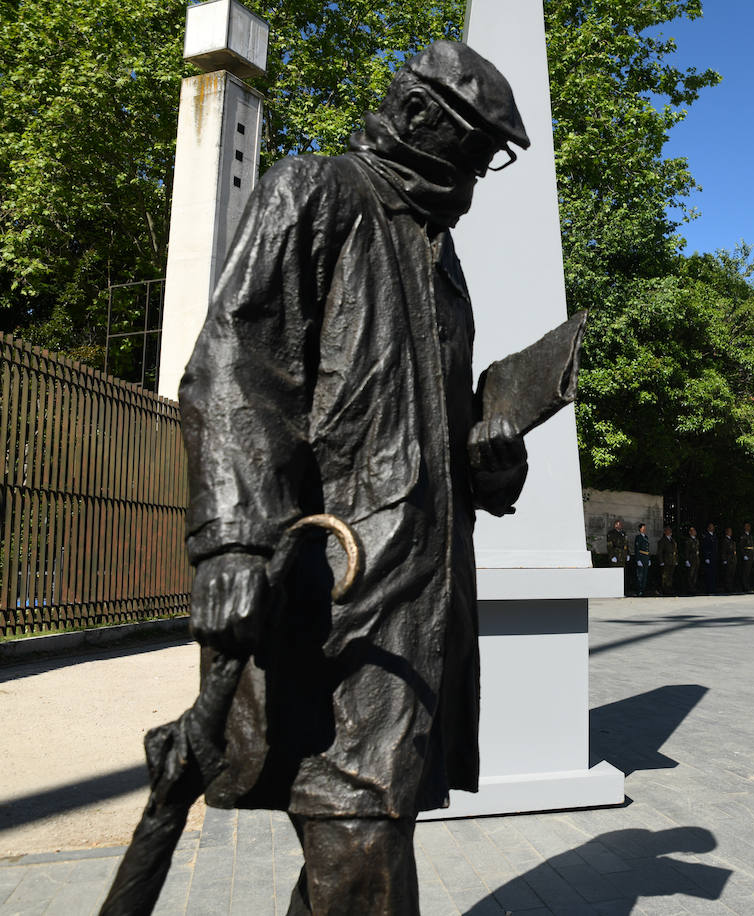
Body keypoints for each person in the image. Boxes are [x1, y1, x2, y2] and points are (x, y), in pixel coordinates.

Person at [178, 41, 534, 911]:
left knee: (369, 832)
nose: (477, 173)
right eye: (473, 146)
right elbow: (235, 368)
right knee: (361, 835)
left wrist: (496, 458)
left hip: (422, 605)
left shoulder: (443, 266)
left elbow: (442, 436)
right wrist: (229, 541)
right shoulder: (315, 191)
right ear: (417, 117)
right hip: (334, 594)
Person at [657, 525, 677, 595]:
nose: (670, 531)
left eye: (670, 530)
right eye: (668, 530)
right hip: (666, 560)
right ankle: (664, 589)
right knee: (665, 576)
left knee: (670, 576)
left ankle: (669, 588)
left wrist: (676, 560)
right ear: (665, 532)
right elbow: (660, 552)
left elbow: (675, 551)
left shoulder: (672, 540)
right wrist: (661, 561)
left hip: (672, 560)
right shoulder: (662, 540)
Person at [633, 523, 651, 597]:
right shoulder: (638, 537)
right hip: (641, 557)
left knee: (645, 575)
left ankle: (643, 590)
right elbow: (636, 549)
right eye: (643, 528)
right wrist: (638, 560)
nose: (644, 530)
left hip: (646, 558)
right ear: (640, 529)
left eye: (645, 528)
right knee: (640, 575)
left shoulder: (646, 537)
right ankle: (639, 590)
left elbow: (648, 549)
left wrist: (649, 559)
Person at [682, 525, 700, 595]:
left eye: (695, 531)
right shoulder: (688, 540)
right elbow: (686, 551)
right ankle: (690, 588)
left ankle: (694, 587)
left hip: (696, 559)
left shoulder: (696, 540)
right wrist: (686, 560)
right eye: (693, 531)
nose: (695, 532)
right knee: (690, 575)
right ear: (690, 532)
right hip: (691, 559)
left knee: (695, 574)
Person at [701, 522, 718, 594]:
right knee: (709, 574)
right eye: (711, 527)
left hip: (714, 557)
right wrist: (706, 557)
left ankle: (713, 588)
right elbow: (705, 547)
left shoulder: (714, 536)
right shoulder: (706, 536)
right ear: (708, 528)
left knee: (713, 573)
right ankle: (708, 589)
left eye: (713, 526)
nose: (712, 528)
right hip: (709, 557)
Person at [740, 522, 754, 591]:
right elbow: (741, 547)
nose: (748, 528)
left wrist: (753, 555)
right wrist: (744, 555)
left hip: (750, 555)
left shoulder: (750, 536)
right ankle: (745, 587)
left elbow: (752, 547)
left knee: (750, 572)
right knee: (745, 572)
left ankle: (749, 586)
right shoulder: (743, 536)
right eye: (747, 526)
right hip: (747, 555)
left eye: (749, 526)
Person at [720, 526, 738, 592]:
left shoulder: (732, 541)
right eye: (729, 531)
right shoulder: (725, 541)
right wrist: (724, 559)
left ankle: (731, 586)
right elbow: (723, 551)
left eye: (731, 531)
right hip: (728, 559)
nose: (730, 533)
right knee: (727, 574)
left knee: (732, 574)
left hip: (733, 559)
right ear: (726, 532)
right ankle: (727, 587)